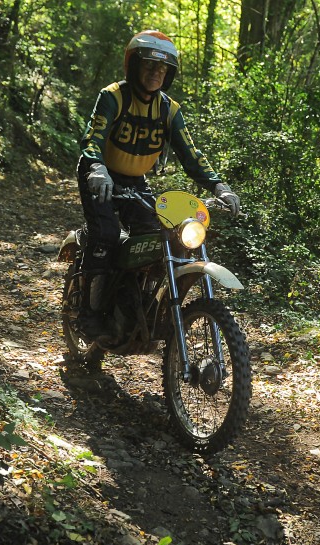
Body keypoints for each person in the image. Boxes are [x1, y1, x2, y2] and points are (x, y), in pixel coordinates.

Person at [76, 30, 241, 340]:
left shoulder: (169, 109)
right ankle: (89, 313)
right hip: (99, 173)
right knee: (106, 235)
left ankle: (129, 304)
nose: (156, 73)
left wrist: (220, 186)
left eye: (163, 69)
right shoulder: (113, 96)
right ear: (133, 65)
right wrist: (96, 167)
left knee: (153, 239)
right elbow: (92, 137)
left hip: (135, 180)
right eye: (149, 65)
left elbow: (191, 155)